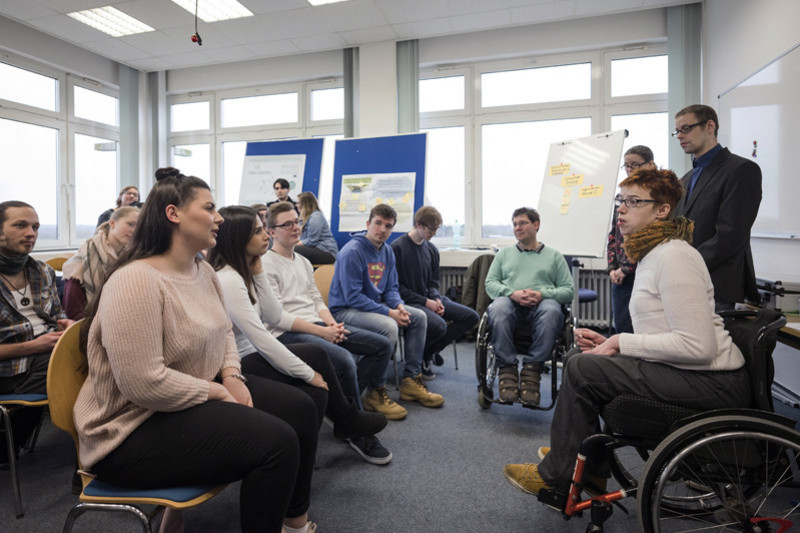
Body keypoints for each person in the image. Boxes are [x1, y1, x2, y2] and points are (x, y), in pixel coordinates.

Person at [73, 168, 319, 533]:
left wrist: (232, 375)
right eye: (209, 208)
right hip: (127, 432)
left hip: (181, 402)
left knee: (301, 408)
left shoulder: (202, 270)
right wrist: (218, 391)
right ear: (173, 214)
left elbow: (223, 334)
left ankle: (293, 523)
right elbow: (143, 384)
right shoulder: (134, 281)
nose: (219, 217)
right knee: (276, 443)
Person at [503, 168, 750, 497]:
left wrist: (622, 341)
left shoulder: (675, 256)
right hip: (687, 372)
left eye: (633, 201)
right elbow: (665, 332)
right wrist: (613, 345)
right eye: (621, 200)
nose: (621, 208)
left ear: (662, 210)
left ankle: (561, 476)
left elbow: (698, 347)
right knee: (581, 357)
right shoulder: (653, 253)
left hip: (711, 382)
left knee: (581, 367)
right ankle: (586, 464)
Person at [209, 204, 390, 465]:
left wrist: (257, 272)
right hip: (240, 360)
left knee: (319, 360)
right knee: (324, 370)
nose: (266, 237)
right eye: (259, 231)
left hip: (260, 346)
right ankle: (347, 421)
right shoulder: (228, 278)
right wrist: (308, 374)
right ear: (239, 238)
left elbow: (273, 313)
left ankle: (345, 421)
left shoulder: (252, 270)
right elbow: (263, 334)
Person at [328, 203, 444, 415]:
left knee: (417, 317)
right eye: (378, 223)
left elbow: (391, 288)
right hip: (345, 310)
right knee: (389, 326)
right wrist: (390, 313)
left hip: (373, 306)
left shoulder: (388, 252)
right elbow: (353, 297)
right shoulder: (352, 252)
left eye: (388, 226)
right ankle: (375, 390)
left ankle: (410, 379)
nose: (382, 229)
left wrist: (399, 305)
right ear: (368, 224)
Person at [0, 201, 73, 459]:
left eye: (35, 227)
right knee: (89, 367)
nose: (31, 232)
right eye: (20, 225)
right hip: (12, 370)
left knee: (99, 345)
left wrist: (67, 325)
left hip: (46, 357)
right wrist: (33, 346)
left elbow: (57, 316)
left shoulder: (41, 270)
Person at [673, 104, 762, 312]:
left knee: (710, 345)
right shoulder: (685, 180)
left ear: (709, 126)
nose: (679, 136)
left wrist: (686, 264)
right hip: (683, 282)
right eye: (677, 131)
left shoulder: (741, 170)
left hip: (716, 285)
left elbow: (730, 234)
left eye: (686, 129)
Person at [485, 207, 574, 406]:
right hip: (511, 304)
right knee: (498, 307)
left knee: (552, 309)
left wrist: (543, 294)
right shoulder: (504, 254)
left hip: (542, 306)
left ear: (536, 225)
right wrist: (512, 293)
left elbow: (568, 291)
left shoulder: (554, 256)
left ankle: (532, 369)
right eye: (515, 224)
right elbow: (490, 285)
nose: (518, 227)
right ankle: (507, 368)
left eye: (523, 223)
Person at [391, 206, 479, 379]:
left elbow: (434, 282)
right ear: (418, 225)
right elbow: (396, 289)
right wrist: (426, 303)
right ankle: (426, 354)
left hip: (429, 299)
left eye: (436, 230)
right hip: (409, 302)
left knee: (471, 317)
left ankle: (428, 351)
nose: (434, 234)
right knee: (438, 325)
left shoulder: (431, 249)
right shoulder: (397, 249)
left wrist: (436, 299)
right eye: (431, 230)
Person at [607, 145, 656, 333]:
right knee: (623, 327)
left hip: (643, 271)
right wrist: (612, 267)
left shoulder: (656, 194)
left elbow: (650, 235)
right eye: (626, 165)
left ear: (650, 165)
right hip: (620, 274)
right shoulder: (623, 194)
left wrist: (627, 269)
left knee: (643, 328)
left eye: (635, 165)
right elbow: (614, 234)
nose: (630, 169)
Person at [62, 206, 139, 320]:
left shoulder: (133, 257)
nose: (134, 231)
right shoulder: (82, 261)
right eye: (130, 224)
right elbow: (73, 313)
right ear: (112, 223)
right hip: (87, 324)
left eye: (139, 227)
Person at [295, 192, 338, 265]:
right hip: (316, 249)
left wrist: (295, 244)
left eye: (298, 203)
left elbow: (312, 241)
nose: (296, 205)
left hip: (326, 252)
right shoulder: (304, 217)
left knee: (293, 249)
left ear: (305, 204)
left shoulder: (316, 217)